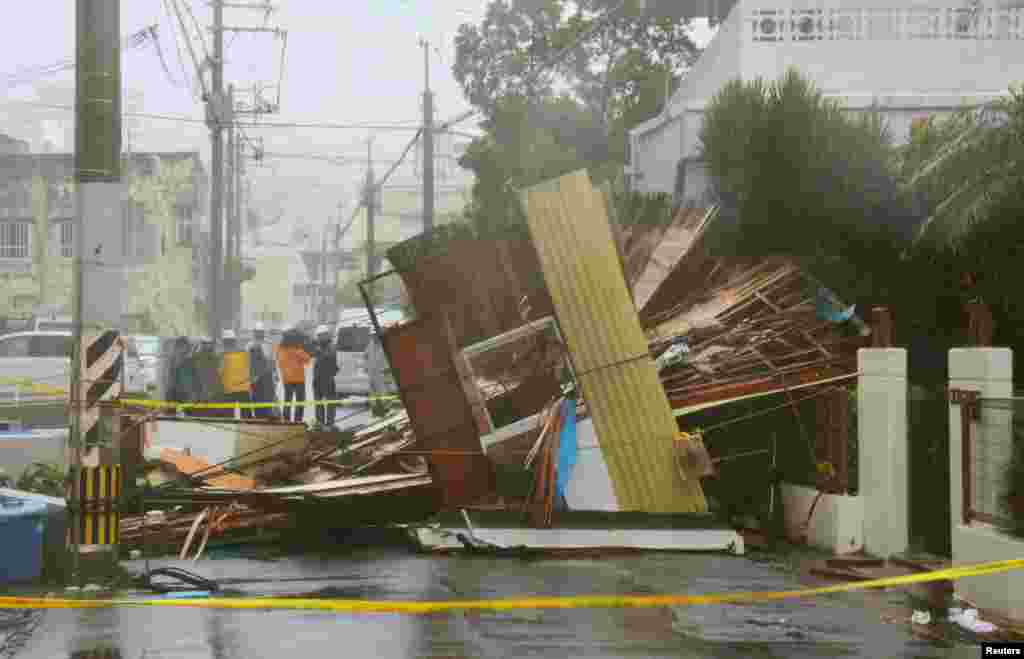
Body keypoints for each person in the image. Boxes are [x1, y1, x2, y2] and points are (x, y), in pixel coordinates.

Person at [275, 328, 311, 423]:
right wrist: (299, 351)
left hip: (287, 379)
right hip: (299, 379)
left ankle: (287, 421)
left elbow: (279, 361)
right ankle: (297, 421)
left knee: (287, 401)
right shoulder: (297, 349)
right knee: (300, 401)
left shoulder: (280, 348)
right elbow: (307, 360)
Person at [219, 330, 253, 419]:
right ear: (234, 340)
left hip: (228, 389)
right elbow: (249, 369)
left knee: (229, 417)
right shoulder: (244, 353)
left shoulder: (222, 355)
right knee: (246, 417)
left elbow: (219, 371)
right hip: (243, 388)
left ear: (224, 341)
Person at [248, 323, 278, 419]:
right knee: (256, 398)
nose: (259, 334)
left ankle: (268, 416)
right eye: (257, 332)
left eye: (260, 332)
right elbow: (247, 363)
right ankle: (259, 417)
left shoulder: (268, 344)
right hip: (254, 377)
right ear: (254, 333)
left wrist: (275, 373)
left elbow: (272, 360)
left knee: (268, 397)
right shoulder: (249, 345)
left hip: (267, 376)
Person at [312, 324, 339, 428]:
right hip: (318, 379)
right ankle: (320, 423)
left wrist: (319, 351)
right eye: (319, 336)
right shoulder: (318, 347)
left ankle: (330, 423)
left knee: (330, 403)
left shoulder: (331, 346)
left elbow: (329, 357)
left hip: (328, 379)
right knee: (318, 403)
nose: (320, 338)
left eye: (322, 335)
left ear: (327, 335)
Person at [190, 337, 224, 417]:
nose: (208, 346)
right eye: (206, 344)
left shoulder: (199, 356)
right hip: (208, 392)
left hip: (207, 391)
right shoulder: (214, 356)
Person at [166, 337, 196, 414]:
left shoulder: (187, 362)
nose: (186, 351)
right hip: (177, 398)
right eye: (184, 348)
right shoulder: (174, 362)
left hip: (183, 400)